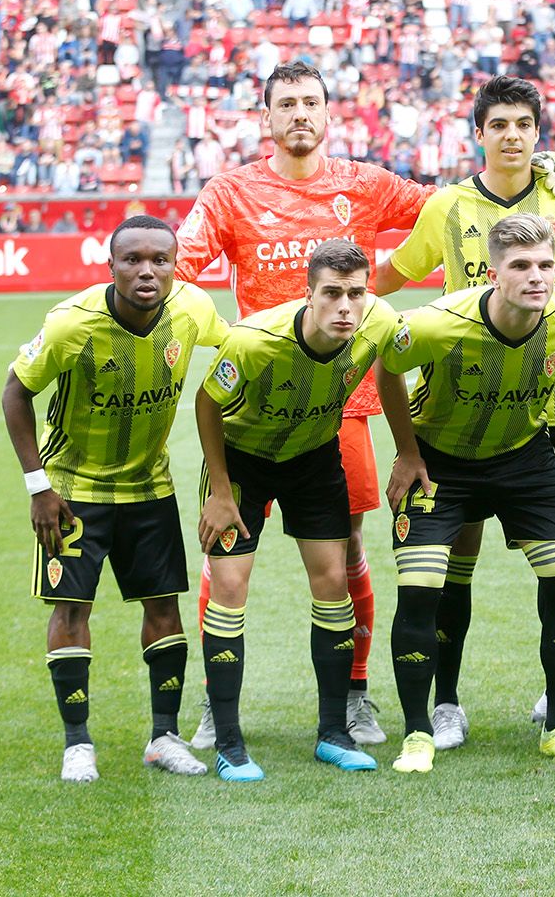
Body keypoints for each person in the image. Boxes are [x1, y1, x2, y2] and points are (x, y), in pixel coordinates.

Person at [175, 61, 434, 748]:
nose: (299, 113)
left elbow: (450, 209)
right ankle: (214, 703)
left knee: (346, 549)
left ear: (328, 113)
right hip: (249, 412)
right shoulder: (230, 192)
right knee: (227, 553)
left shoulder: (364, 185)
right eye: (285, 103)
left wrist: (532, 177)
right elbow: (178, 265)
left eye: (310, 102)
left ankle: (353, 696)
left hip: (340, 407)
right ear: (265, 118)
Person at [373, 75, 555, 749]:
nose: (513, 136)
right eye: (499, 124)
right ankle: (444, 701)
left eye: (524, 124)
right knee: (457, 554)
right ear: (477, 134)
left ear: (540, 133)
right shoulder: (447, 207)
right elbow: (395, 274)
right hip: (460, 404)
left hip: (552, 406)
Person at [1, 216, 228, 782]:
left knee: (164, 607)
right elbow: (15, 391)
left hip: (151, 488)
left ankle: (164, 736)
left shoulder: (193, 309)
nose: (147, 270)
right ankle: (77, 743)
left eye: (160, 259)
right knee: (72, 609)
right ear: (111, 266)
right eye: (133, 260)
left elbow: (241, 350)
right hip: (74, 494)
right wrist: (39, 487)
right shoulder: (71, 325)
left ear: (176, 265)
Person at [195, 241, 403, 781]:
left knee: (334, 579)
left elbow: (395, 373)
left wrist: (410, 451)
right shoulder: (255, 341)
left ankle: (333, 732)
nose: (345, 307)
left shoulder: (379, 324)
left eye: (355, 294)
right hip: (243, 462)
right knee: (231, 585)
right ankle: (229, 740)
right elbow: (207, 401)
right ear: (308, 296)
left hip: (314, 457)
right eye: (331, 294)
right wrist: (220, 490)